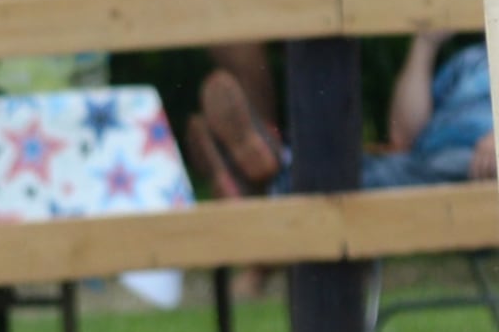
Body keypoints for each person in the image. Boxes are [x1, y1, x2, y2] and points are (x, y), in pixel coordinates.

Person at [189, 32, 495, 198]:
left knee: (349, 180)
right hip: (423, 161)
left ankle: (265, 175)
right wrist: (425, 44)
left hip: (478, 170)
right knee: (361, 164)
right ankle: (271, 170)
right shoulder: (470, 61)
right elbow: (404, 135)